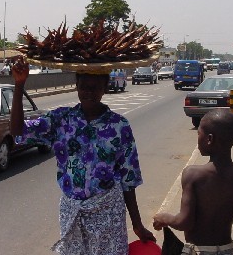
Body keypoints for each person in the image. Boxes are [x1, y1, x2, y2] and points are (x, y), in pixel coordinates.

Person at [10, 55, 155, 255]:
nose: (88, 92)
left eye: (95, 87)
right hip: (72, 212)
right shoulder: (61, 119)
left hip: (108, 215)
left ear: (105, 87)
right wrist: (19, 85)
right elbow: (17, 131)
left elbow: (128, 180)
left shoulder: (119, 126)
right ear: (76, 85)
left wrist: (137, 225)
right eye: (84, 86)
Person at [153, 109, 233, 255]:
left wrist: (163, 217)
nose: (198, 138)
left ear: (209, 139)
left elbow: (184, 221)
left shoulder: (193, 175)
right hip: (228, 250)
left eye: (199, 133)